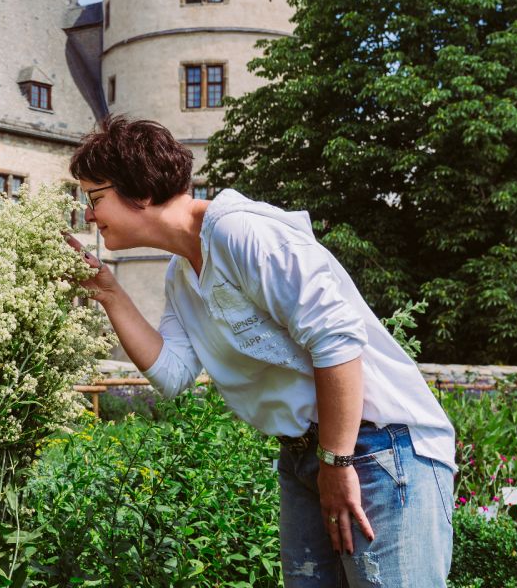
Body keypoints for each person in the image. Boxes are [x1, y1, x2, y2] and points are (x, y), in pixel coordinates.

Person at [66, 115, 455, 588]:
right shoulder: (182, 275)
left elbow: (337, 342)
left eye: (95, 198)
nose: (89, 215)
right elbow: (172, 373)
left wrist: (336, 462)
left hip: (380, 448)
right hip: (305, 456)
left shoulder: (240, 232)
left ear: (140, 192)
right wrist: (109, 293)